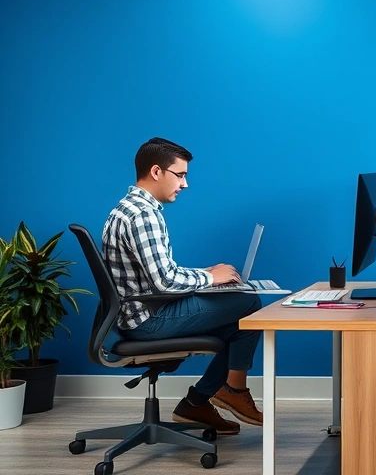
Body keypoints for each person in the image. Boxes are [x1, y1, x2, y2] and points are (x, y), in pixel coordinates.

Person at [102, 137, 263, 435]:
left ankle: (196, 404)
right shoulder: (143, 215)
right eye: (180, 174)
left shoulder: (128, 208)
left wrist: (207, 273)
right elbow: (164, 281)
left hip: (141, 312)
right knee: (250, 304)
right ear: (156, 172)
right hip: (149, 321)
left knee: (236, 322)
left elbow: (157, 273)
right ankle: (233, 391)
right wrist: (212, 279)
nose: (185, 184)